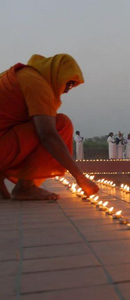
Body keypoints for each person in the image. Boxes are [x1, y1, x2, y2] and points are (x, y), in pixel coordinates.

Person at [0, 53, 98, 200]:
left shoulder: (25, 75)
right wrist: (80, 178)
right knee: (61, 124)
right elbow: (47, 134)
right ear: (57, 74)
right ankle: (25, 187)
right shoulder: (36, 83)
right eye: (69, 83)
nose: (67, 90)